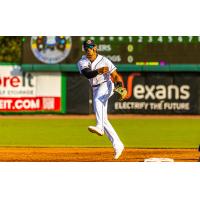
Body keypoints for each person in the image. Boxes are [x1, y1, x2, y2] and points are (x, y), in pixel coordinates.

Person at [77, 39, 126, 159]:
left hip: (106, 84)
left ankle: (99, 127)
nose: (88, 50)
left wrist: (120, 87)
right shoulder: (82, 61)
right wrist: (98, 71)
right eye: (86, 48)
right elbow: (87, 74)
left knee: (98, 100)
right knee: (104, 118)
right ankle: (118, 144)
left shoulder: (105, 60)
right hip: (95, 88)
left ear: (95, 48)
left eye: (90, 47)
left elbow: (115, 76)